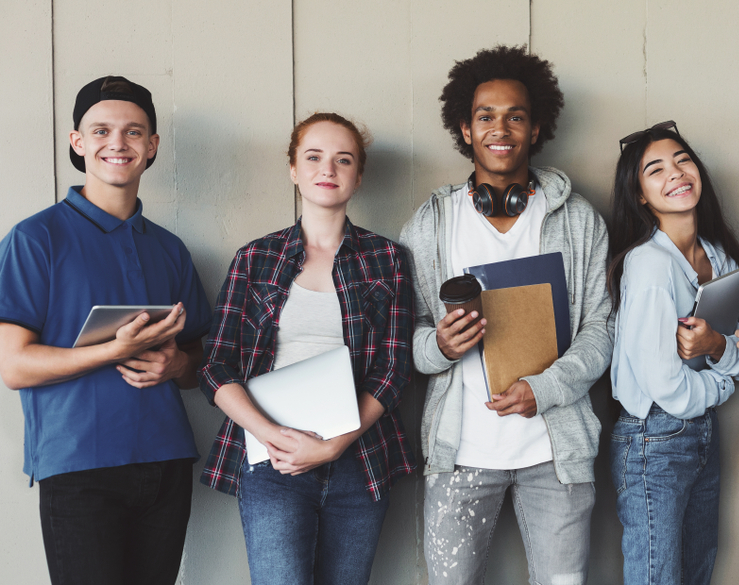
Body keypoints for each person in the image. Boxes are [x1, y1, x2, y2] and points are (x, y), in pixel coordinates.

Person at [400, 45, 612, 585]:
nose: (500, 128)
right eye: (485, 116)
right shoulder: (431, 223)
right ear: (465, 129)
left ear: (536, 128)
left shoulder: (578, 220)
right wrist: (439, 346)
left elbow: (601, 329)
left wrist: (546, 388)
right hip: (460, 453)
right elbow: (407, 338)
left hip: (556, 452)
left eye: (515, 116)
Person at [0, 75, 213, 585]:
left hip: (166, 461)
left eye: (133, 131)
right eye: (101, 131)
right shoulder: (34, 239)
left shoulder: (170, 248)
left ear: (151, 146)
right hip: (78, 467)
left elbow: (198, 364)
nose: (118, 143)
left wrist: (178, 364)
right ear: (78, 142)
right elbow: (13, 367)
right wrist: (112, 351)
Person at [198, 112, 415, 585]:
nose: (328, 169)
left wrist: (334, 445)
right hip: (271, 462)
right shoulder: (255, 258)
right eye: (313, 157)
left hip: (360, 460)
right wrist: (271, 435)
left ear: (359, 176)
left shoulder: (387, 259)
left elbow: (394, 367)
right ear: (294, 169)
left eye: (344, 159)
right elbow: (216, 366)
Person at [606, 121, 739, 585]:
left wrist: (716, 346)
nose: (675, 173)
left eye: (683, 160)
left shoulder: (719, 257)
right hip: (652, 438)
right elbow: (668, 387)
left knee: (696, 574)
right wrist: (723, 378)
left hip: (702, 433)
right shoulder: (649, 264)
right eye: (655, 169)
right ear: (640, 196)